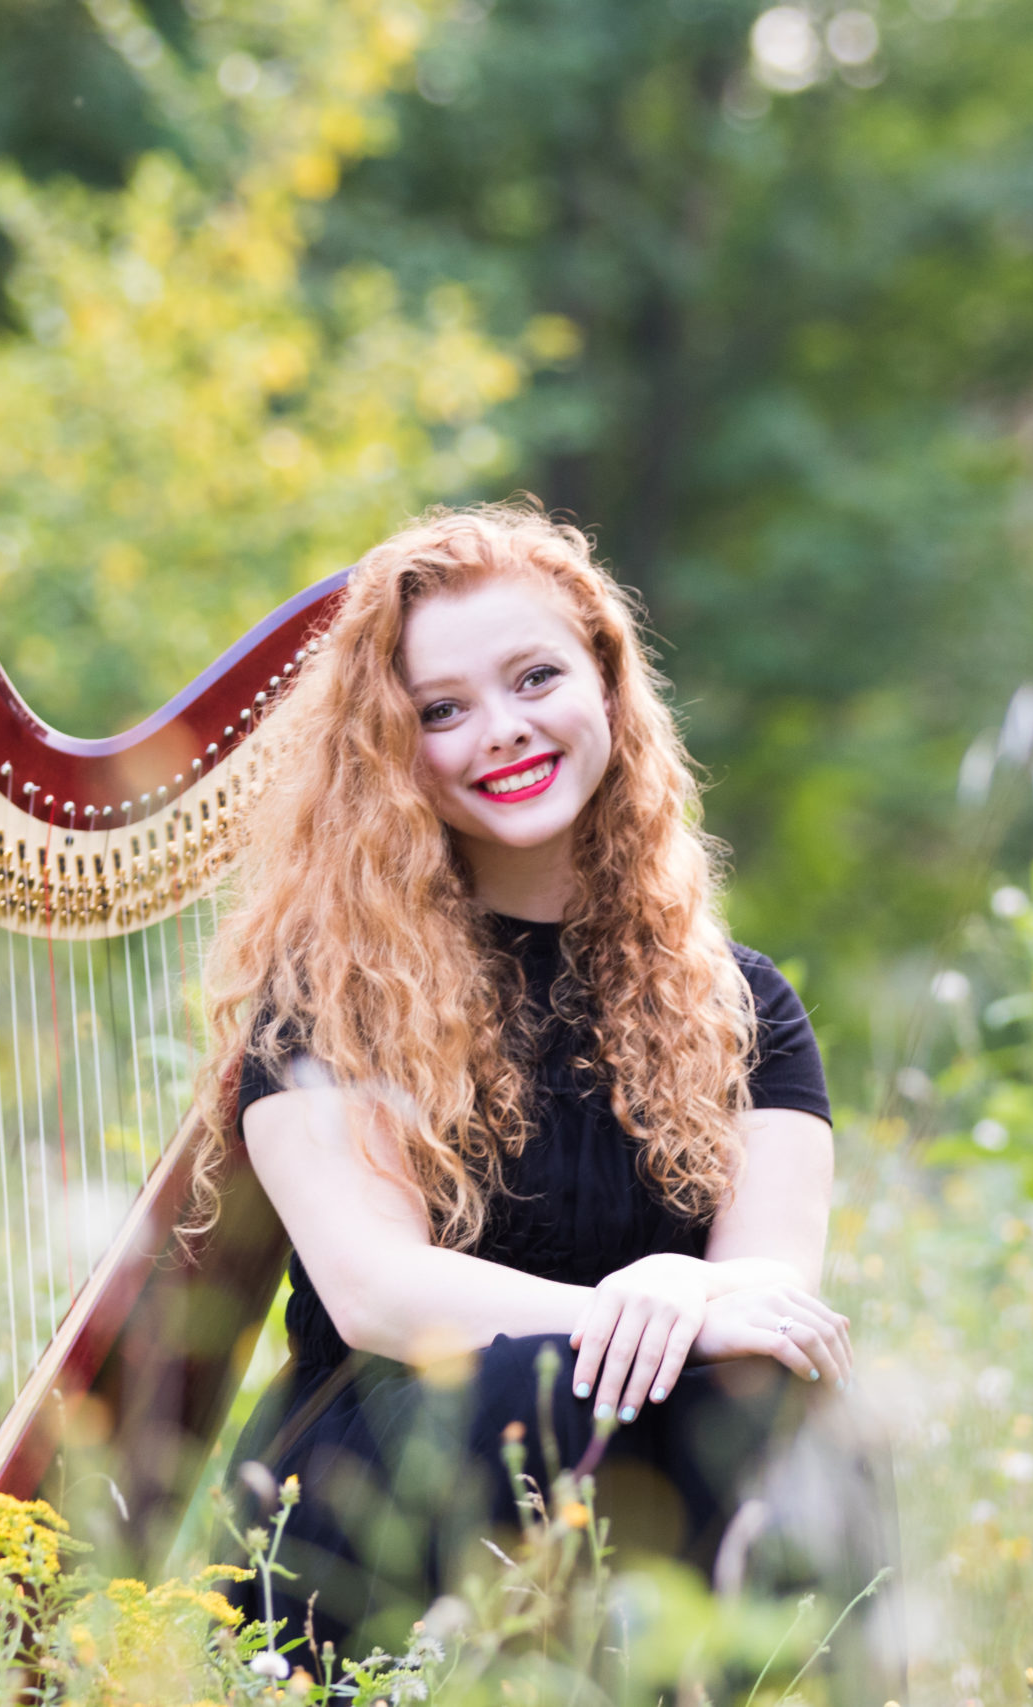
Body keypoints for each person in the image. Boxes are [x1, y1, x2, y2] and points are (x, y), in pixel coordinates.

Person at [183, 501, 896, 1674]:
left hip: (667, 1463)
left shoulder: (741, 1003)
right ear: (387, 751)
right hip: (397, 1493)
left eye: (535, 678)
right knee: (554, 1378)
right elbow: (377, 1296)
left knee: (787, 1411)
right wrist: (651, 1311)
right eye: (442, 710)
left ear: (607, 687)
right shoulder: (329, 998)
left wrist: (686, 1289)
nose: (500, 732)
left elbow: (772, 1299)